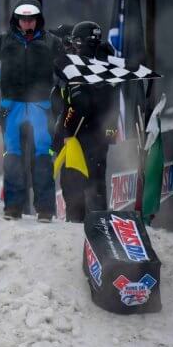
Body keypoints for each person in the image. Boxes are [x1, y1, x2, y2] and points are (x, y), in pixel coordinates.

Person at [0, 0, 66, 222]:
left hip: (40, 106)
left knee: (43, 155)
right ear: (16, 20)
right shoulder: (4, 41)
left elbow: (69, 67)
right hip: (11, 105)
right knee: (12, 155)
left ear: (38, 20)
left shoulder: (51, 42)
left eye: (31, 19)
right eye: (23, 20)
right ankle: (13, 207)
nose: (27, 23)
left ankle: (45, 209)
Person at [51, 21, 118, 222]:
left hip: (82, 137)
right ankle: (100, 224)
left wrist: (66, 132)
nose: (70, 47)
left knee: (74, 183)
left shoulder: (82, 67)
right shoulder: (107, 64)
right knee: (96, 183)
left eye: (73, 42)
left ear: (80, 42)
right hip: (100, 135)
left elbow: (79, 105)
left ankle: (78, 225)